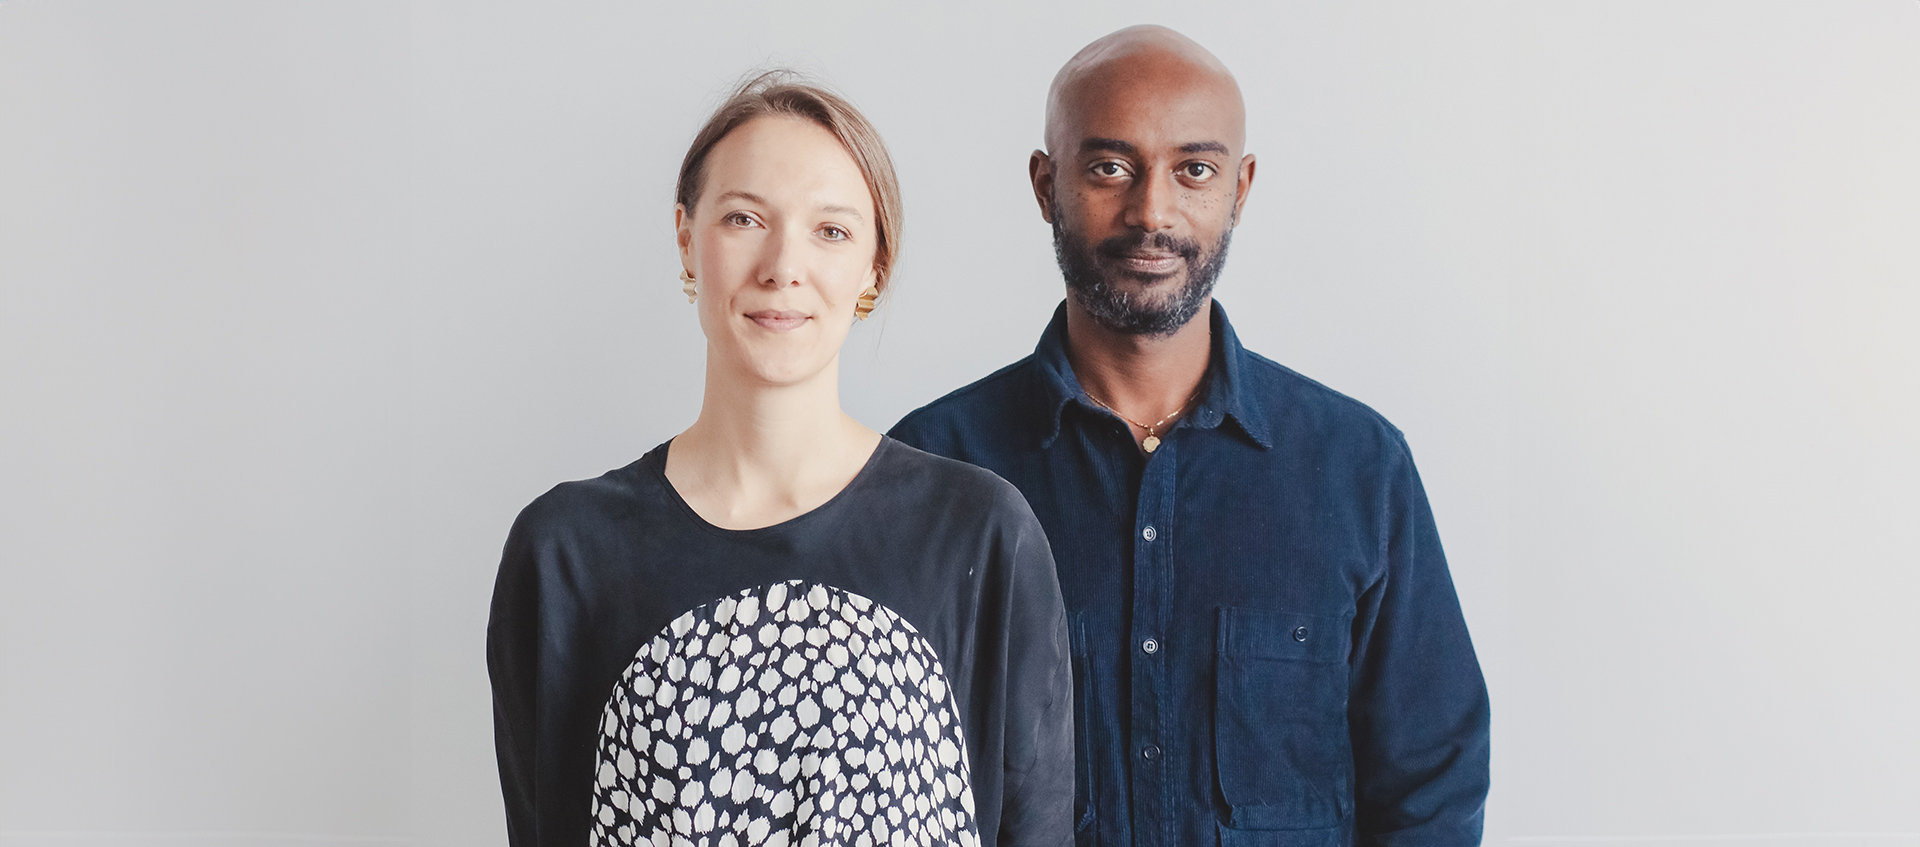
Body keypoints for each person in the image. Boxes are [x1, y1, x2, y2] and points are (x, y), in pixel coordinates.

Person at [889, 27, 1491, 847]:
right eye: (1109, 167)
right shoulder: (932, 469)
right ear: (1044, 184)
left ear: (1239, 189)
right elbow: (888, 788)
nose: (1152, 212)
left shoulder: (1358, 470)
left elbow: (1432, 791)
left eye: (1194, 171)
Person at [488, 71, 1075, 847]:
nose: (782, 266)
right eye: (742, 218)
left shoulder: (979, 534)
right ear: (685, 237)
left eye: (831, 230)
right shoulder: (566, 550)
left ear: (874, 265)